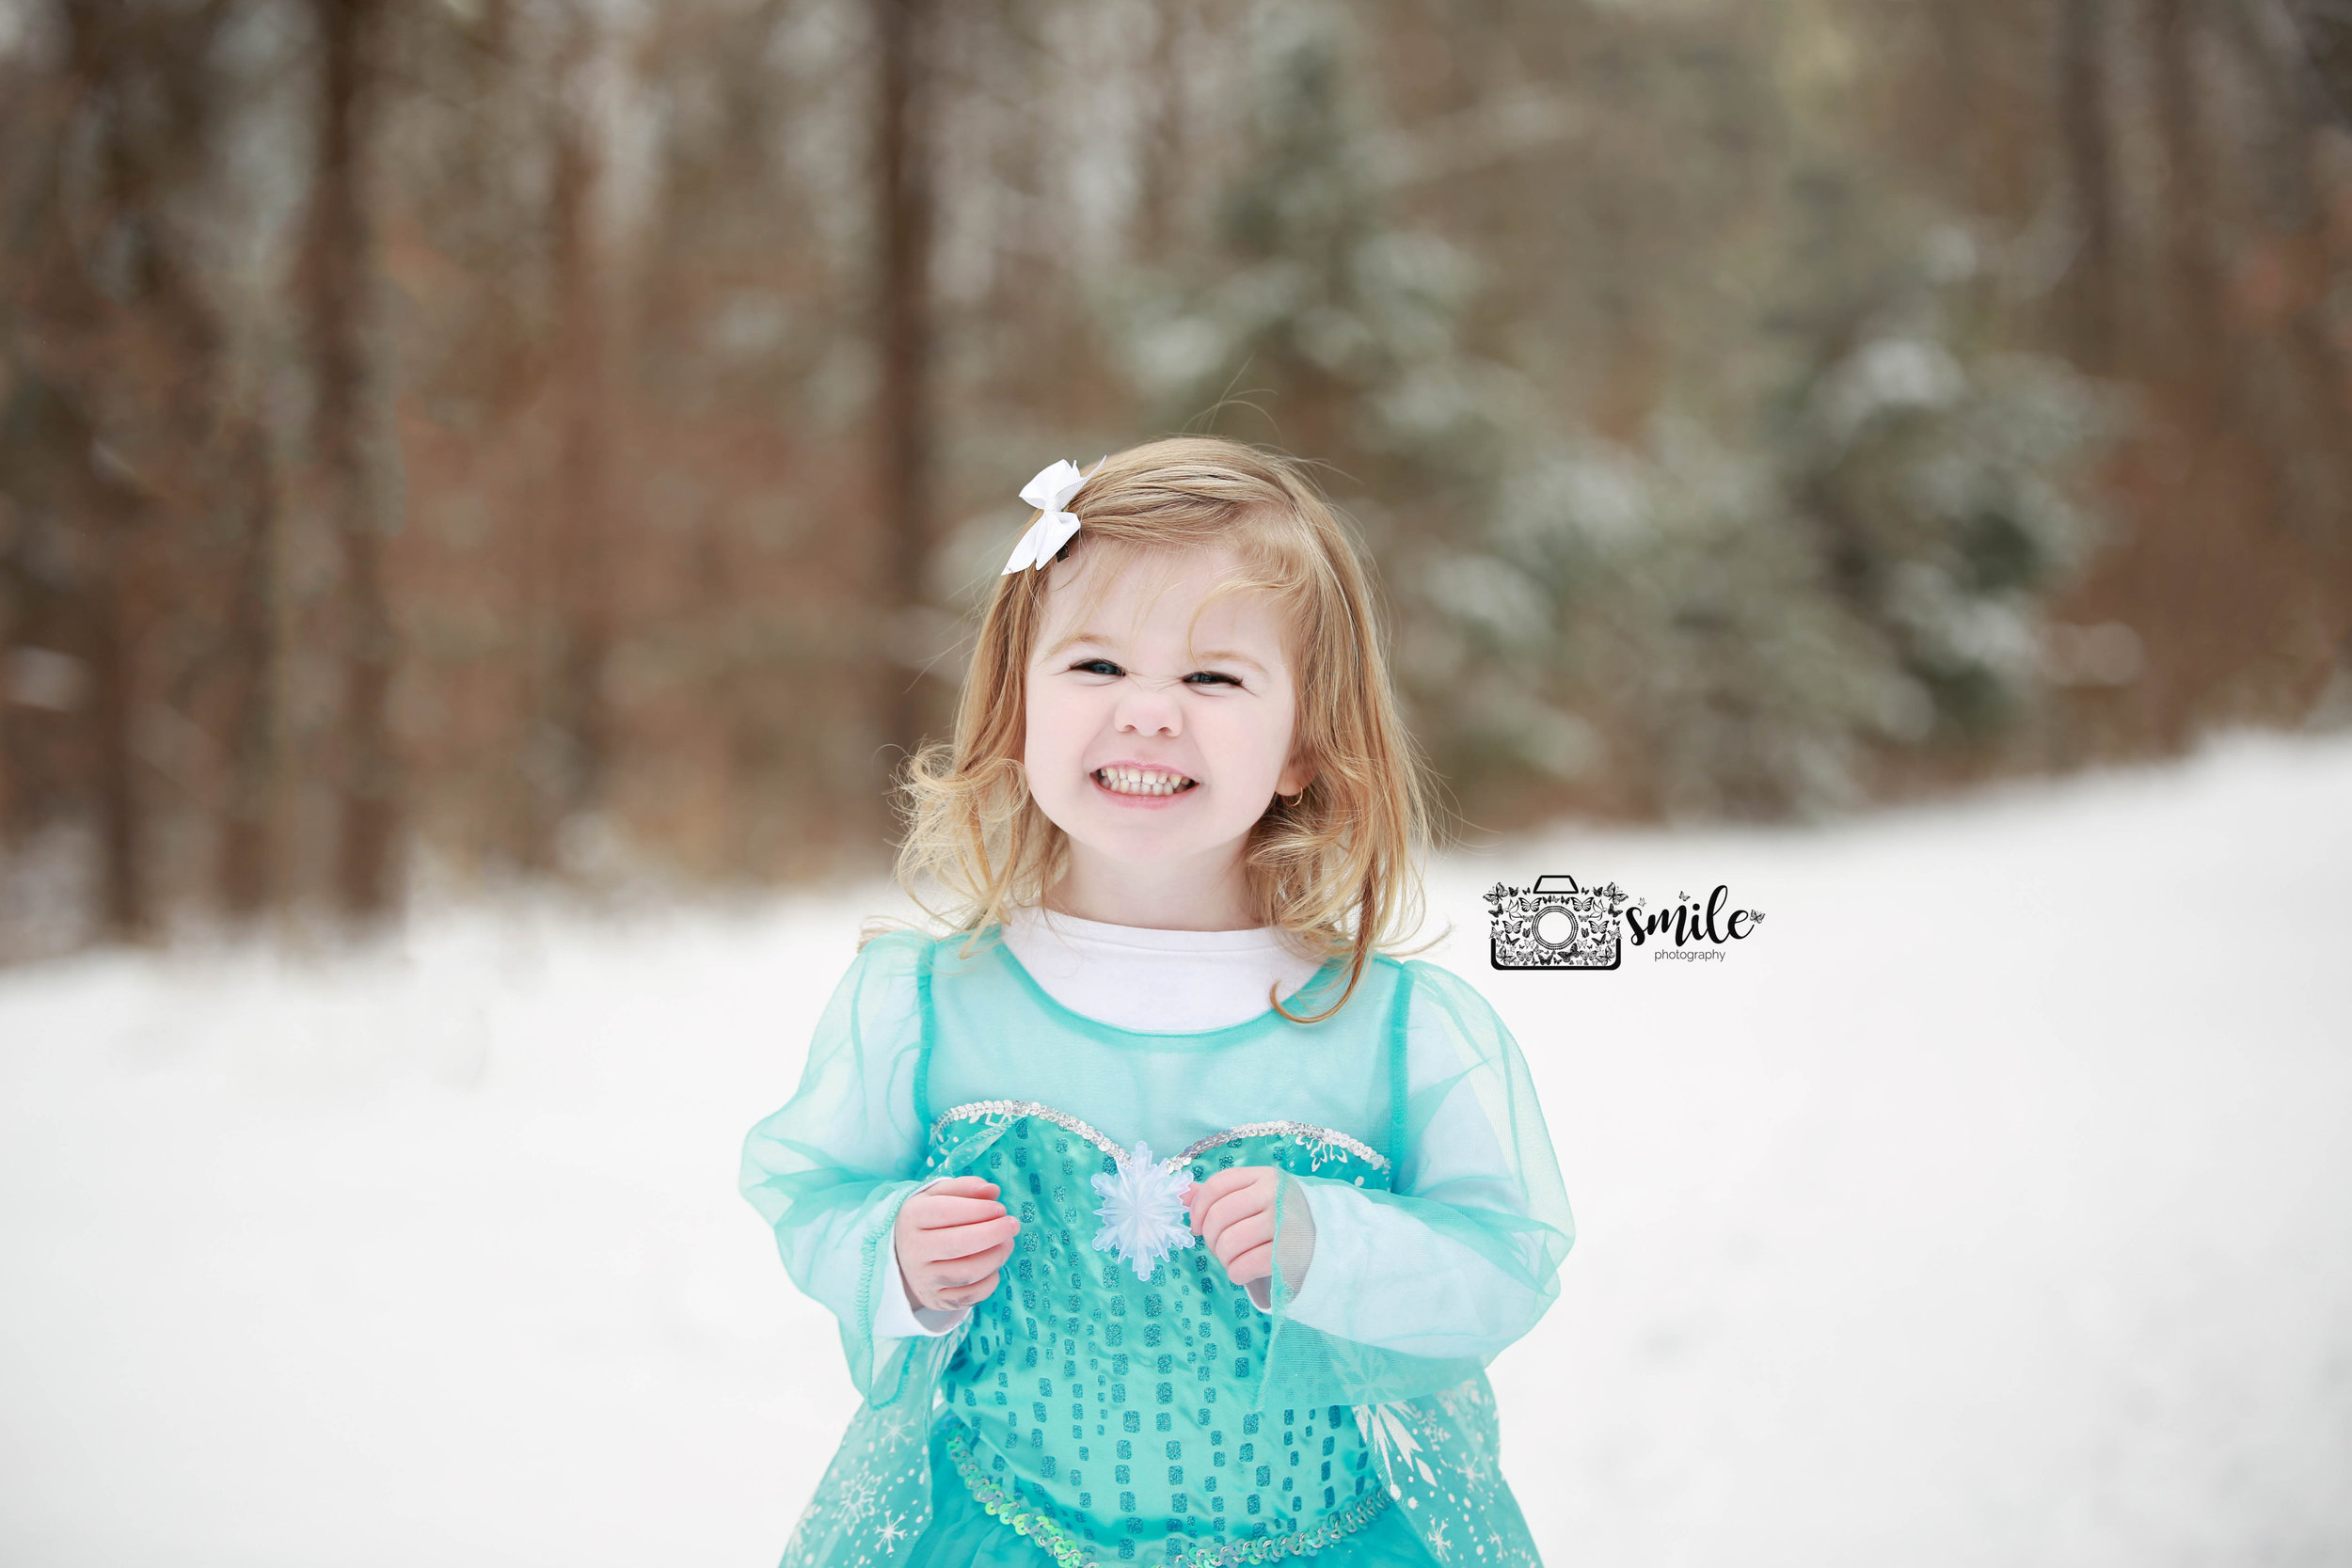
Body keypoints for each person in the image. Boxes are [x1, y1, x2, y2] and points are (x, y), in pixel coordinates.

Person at [740, 436, 1574, 1568]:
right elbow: (810, 1191)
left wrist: (1338, 1244)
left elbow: (1501, 1263)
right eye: (1094, 667)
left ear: (1302, 744)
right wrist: (892, 1252)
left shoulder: (1390, 1029)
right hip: (1002, 1528)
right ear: (1016, 705)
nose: (1146, 713)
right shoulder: (927, 1005)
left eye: (1212, 677)